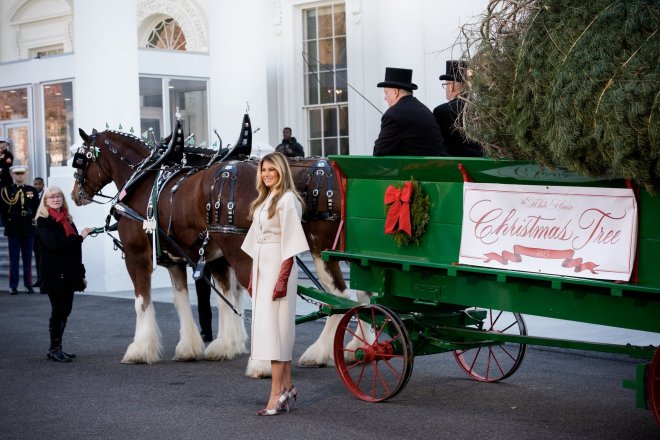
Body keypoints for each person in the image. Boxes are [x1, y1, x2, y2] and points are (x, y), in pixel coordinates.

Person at [241, 152, 309, 416]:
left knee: (276, 332)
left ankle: (276, 393)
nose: (267, 174)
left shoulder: (288, 200)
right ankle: (287, 386)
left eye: (272, 169)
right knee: (272, 329)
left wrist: (281, 279)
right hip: (263, 267)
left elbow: (291, 244)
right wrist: (252, 276)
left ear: (282, 171)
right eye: (263, 170)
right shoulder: (265, 199)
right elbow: (255, 240)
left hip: (279, 267)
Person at [35, 186, 91, 362]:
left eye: (59, 196)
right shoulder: (43, 221)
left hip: (69, 273)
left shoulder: (67, 219)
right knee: (58, 310)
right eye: (51, 197)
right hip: (54, 273)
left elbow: (75, 251)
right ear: (45, 201)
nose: (56, 199)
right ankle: (54, 349)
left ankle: (57, 348)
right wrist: (80, 238)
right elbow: (55, 245)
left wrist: (81, 274)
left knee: (65, 310)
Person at [373, 67, 447, 157]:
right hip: (436, 163)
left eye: (386, 93)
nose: (385, 97)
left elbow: (379, 152)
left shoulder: (393, 115)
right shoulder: (423, 109)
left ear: (396, 92)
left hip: (415, 165)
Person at [0, 165, 40, 294]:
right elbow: (3, 210)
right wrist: (8, 223)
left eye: (22, 173)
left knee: (28, 258)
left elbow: (37, 208)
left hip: (28, 227)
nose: (20, 176)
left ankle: (28, 285)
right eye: (17, 173)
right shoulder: (6, 191)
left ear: (26, 174)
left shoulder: (32, 190)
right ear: (12, 174)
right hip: (13, 228)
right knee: (14, 258)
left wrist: (34, 224)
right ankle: (13, 286)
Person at [433, 60, 484, 157]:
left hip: (455, 164)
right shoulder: (481, 108)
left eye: (445, 85)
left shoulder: (442, 111)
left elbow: (438, 146)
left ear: (451, 86)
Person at [32, 177, 45, 289]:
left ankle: (45, 279)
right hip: (34, 231)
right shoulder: (30, 195)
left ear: (43, 184)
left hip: (44, 230)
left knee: (44, 257)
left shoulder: (47, 195)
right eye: (35, 184)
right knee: (37, 256)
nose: (37, 186)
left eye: (39, 184)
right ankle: (39, 279)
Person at [195, 267, 213, 342]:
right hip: (198, 266)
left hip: (203, 265)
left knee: (204, 299)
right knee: (201, 299)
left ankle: (208, 332)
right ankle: (204, 329)